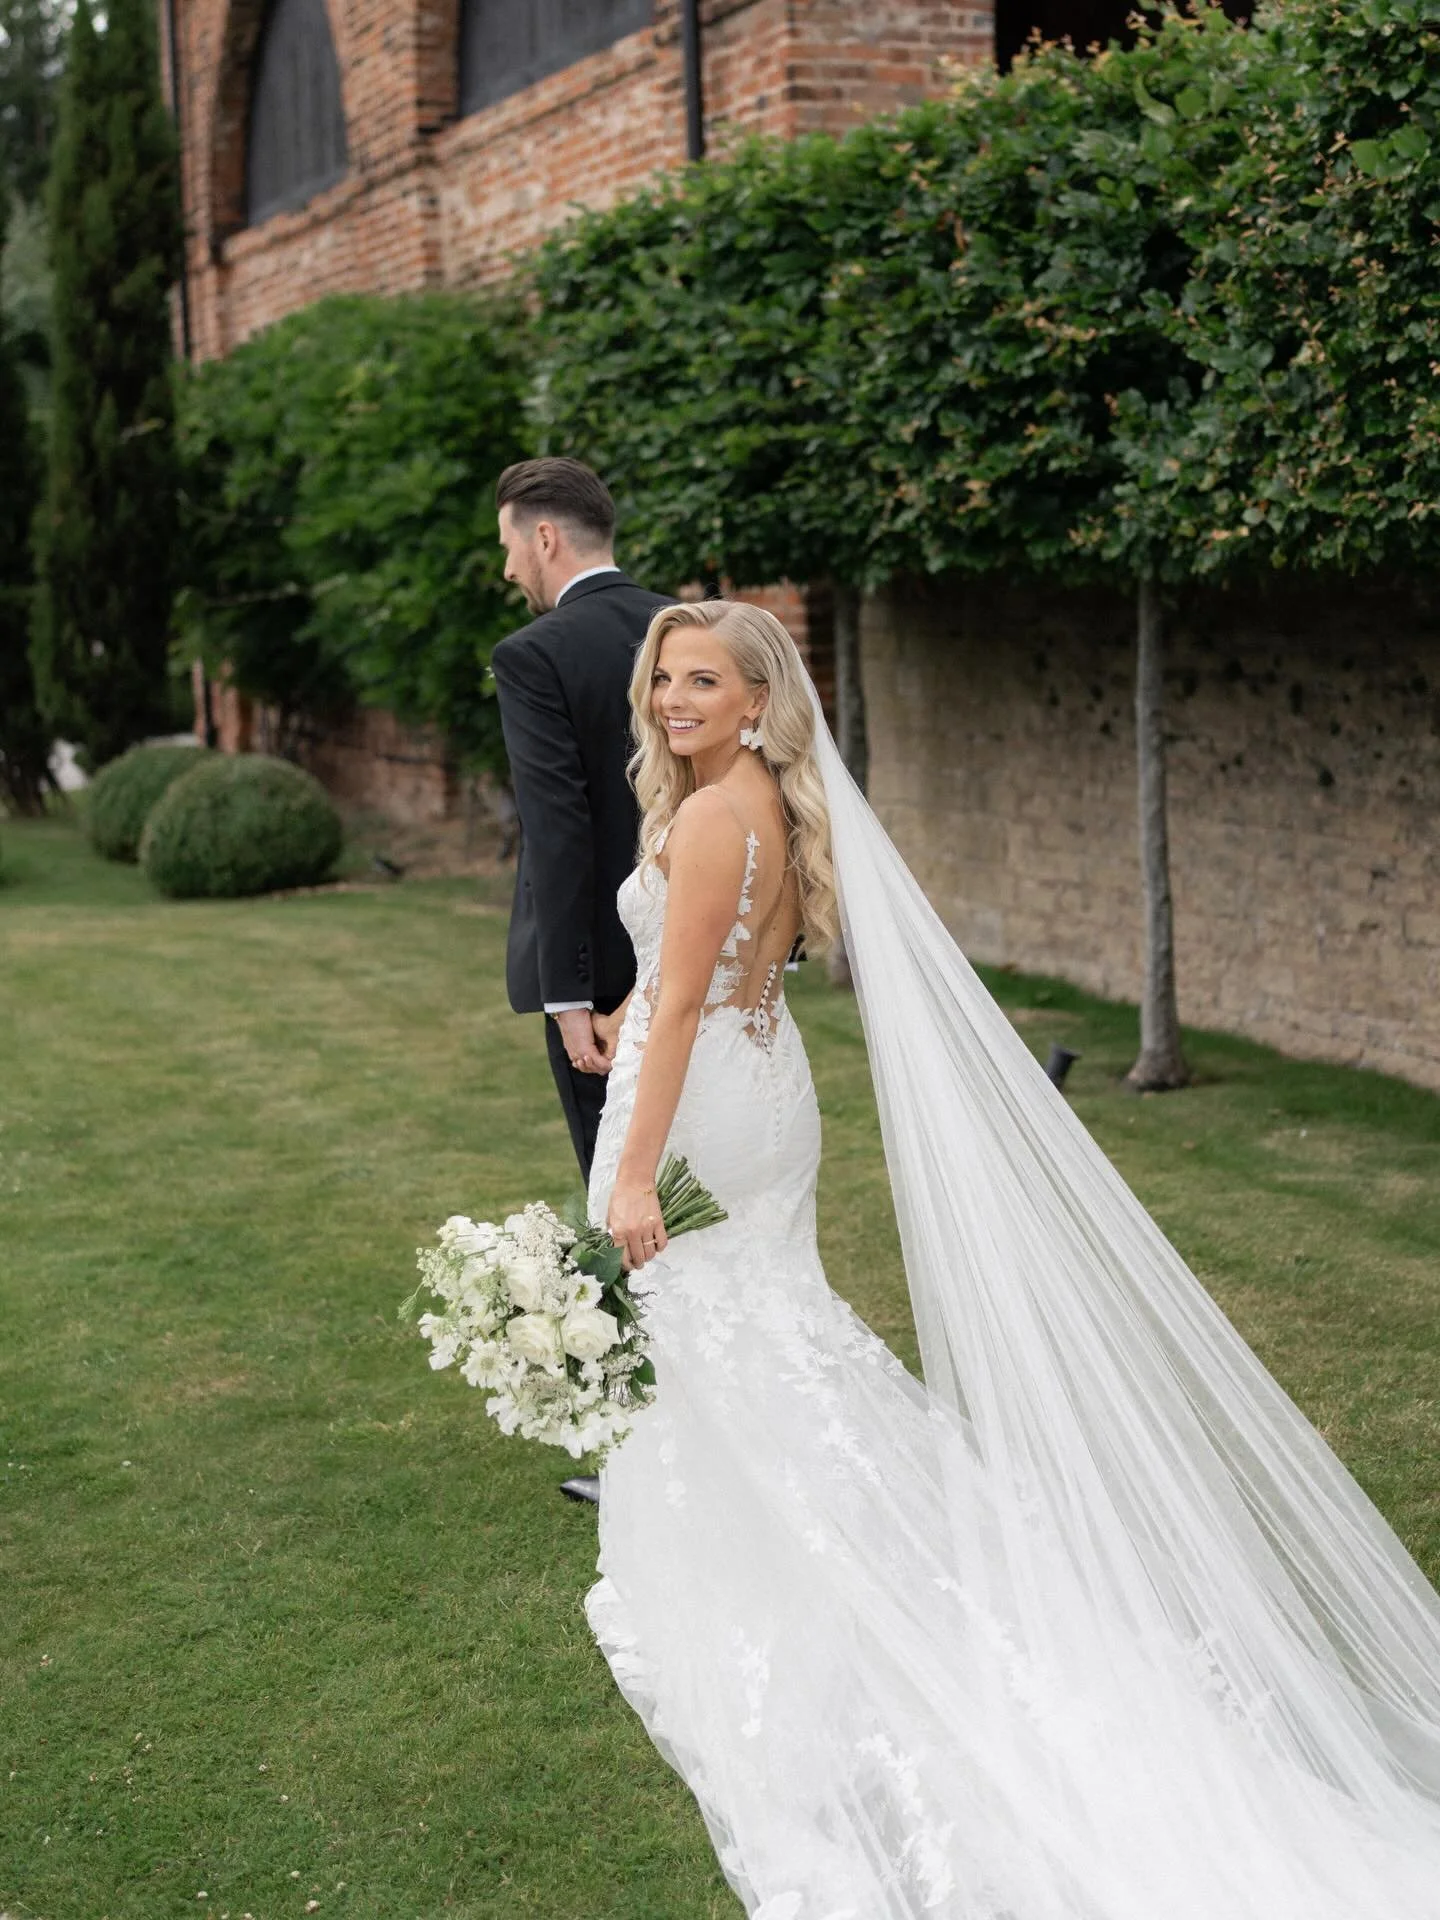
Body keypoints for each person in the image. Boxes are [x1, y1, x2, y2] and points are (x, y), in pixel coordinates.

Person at [582, 598, 1440, 1919]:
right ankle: (788, 1563)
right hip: (763, 1090)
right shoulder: (746, 798)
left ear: (756, 701)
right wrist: (632, 1002)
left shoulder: (706, 813)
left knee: (734, 1329)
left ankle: (828, 1601)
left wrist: (635, 1166)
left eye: (702, 682)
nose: (673, 700)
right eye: (663, 680)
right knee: (763, 1331)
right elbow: (694, 964)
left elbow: (693, 992)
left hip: (711, 1099)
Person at [490, 457, 671, 1181]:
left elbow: (557, 830)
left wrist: (568, 994)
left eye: (506, 547)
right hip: (716, 958)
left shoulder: (536, 656)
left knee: (627, 1204)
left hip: (605, 987)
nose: (508, 571)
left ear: (542, 538)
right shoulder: (696, 630)